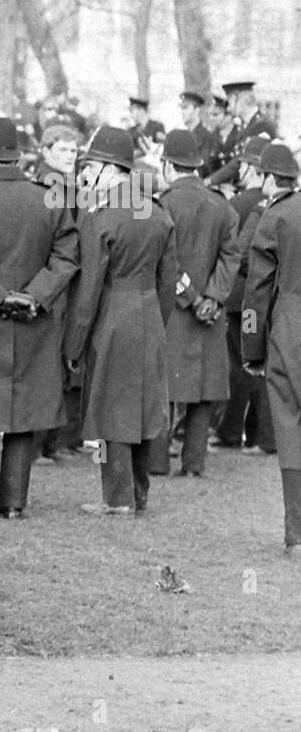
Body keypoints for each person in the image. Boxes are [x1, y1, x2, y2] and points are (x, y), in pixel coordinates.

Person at [0, 116, 79, 518]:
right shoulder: (48, 198)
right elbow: (67, 257)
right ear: (20, 156)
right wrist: (33, 296)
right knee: (24, 411)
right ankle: (14, 502)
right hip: (34, 316)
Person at [66, 126, 178, 516]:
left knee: (110, 405)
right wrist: (157, 321)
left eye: (91, 166)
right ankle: (139, 492)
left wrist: (74, 344)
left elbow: (89, 289)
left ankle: (116, 498)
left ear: (111, 169)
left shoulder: (100, 216)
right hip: (149, 312)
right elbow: (168, 282)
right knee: (143, 405)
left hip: (113, 314)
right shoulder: (158, 213)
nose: (86, 174)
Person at [151, 129, 238, 478]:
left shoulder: (162, 204)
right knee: (204, 389)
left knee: (163, 387)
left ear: (167, 165)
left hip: (173, 309)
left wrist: (191, 298)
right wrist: (212, 298)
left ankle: (156, 461)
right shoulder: (223, 205)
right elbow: (231, 258)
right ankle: (194, 463)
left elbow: (164, 262)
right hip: (211, 313)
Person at [242, 142, 301, 555]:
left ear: (268, 178)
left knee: (291, 429)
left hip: (289, 333)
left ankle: (298, 533)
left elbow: (256, 292)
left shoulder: (277, 216)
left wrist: (252, 347)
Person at [216, 136, 275, 452]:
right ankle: (256, 434)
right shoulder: (277, 203)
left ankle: (234, 431)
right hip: (262, 301)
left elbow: (237, 252)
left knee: (240, 365)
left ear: (253, 168)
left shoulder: (239, 204)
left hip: (241, 299)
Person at [35, 123, 85, 462]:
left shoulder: (69, 186)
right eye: (63, 150)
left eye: (73, 150)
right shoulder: (50, 186)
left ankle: (54, 441)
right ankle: (43, 442)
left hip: (65, 281)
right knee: (50, 361)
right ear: (46, 151)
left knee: (61, 360)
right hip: (55, 282)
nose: (70, 156)